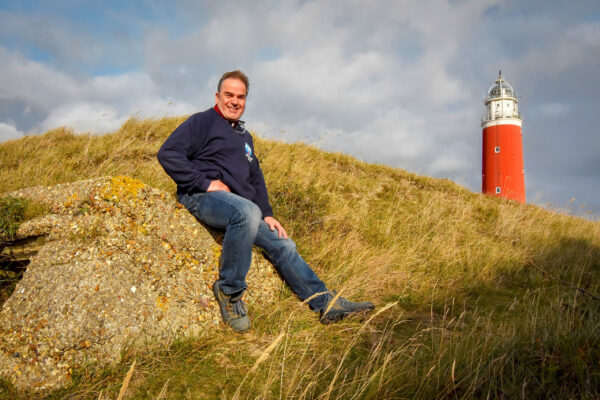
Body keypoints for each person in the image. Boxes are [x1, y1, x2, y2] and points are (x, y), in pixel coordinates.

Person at [157, 70, 374, 333]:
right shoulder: (201, 122)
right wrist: (204, 183)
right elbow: (168, 153)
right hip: (201, 197)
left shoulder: (245, 138)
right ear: (217, 96)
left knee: (283, 243)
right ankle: (230, 291)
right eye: (229, 95)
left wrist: (268, 214)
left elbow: (255, 179)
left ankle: (324, 303)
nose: (235, 101)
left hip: (239, 208)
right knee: (248, 212)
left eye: (241, 97)